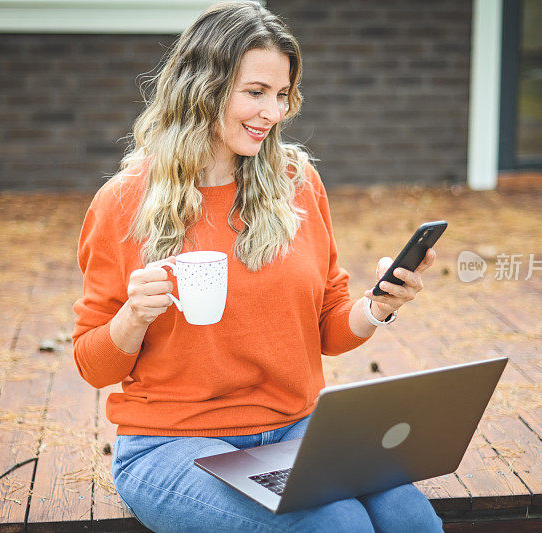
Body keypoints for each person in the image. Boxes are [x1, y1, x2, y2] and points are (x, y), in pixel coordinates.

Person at [72, 1, 442, 531]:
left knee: (410, 518)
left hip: (294, 430)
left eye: (281, 95)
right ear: (202, 88)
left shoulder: (297, 184)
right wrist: (132, 318)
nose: (273, 112)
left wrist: (377, 306)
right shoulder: (125, 202)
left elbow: (329, 328)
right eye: (254, 93)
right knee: (336, 525)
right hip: (174, 443)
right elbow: (92, 365)